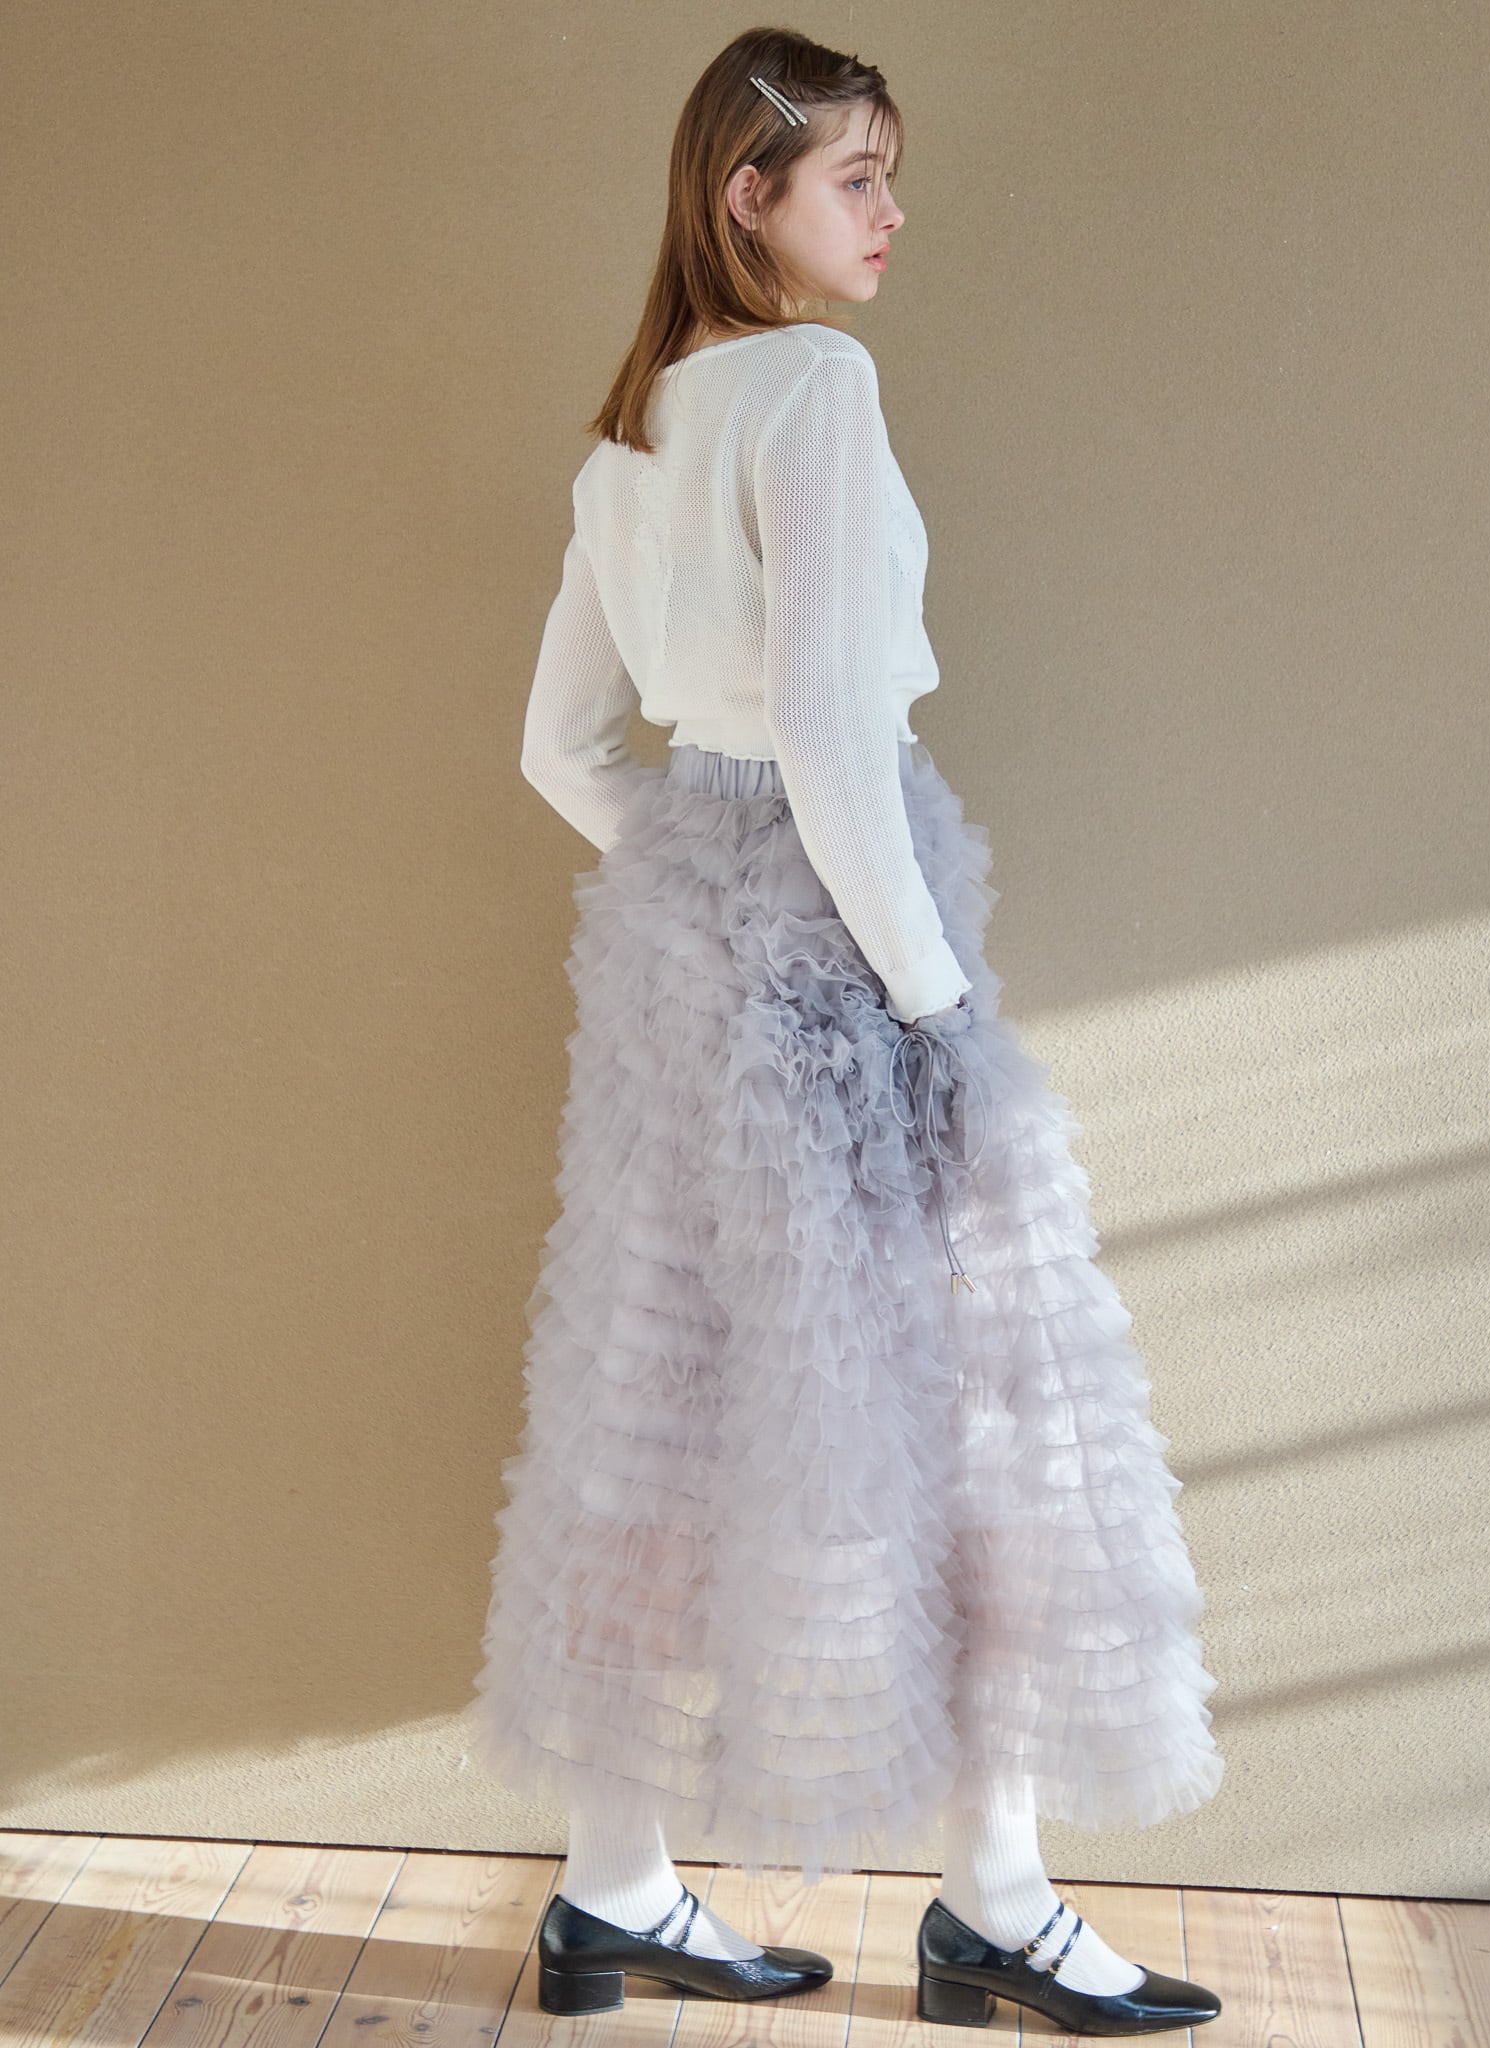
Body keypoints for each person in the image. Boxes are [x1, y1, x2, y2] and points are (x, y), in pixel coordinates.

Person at [465, 25, 1227, 2036]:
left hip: (685, 969)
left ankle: (610, 1890)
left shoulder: (630, 431)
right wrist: (927, 993)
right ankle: (995, 1906)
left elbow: (560, 749)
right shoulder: (811, 385)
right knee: (973, 1407)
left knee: (660, 1405)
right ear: (751, 194)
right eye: (857, 178)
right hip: (841, 951)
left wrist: (703, 886)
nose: (892, 216)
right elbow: (824, 727)